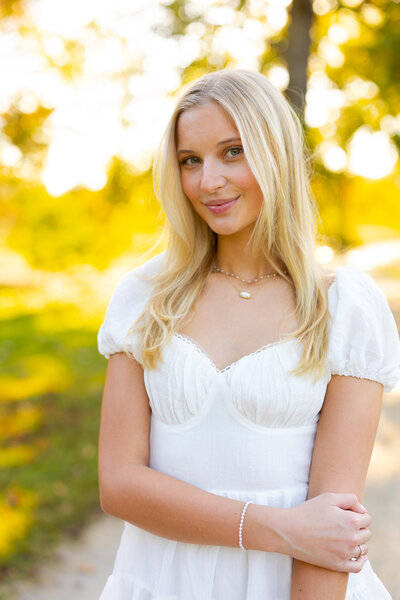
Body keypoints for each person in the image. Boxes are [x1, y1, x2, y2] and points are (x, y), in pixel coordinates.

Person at [97, 70, 400, 599]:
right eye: (190, 160)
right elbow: (119, 484)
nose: (207, 180)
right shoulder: (146, 297)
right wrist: (278, 528)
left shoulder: (344, 305)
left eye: (232, 152)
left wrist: (305, 541)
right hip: (159, 583)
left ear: (275, 153)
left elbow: (333, 529)